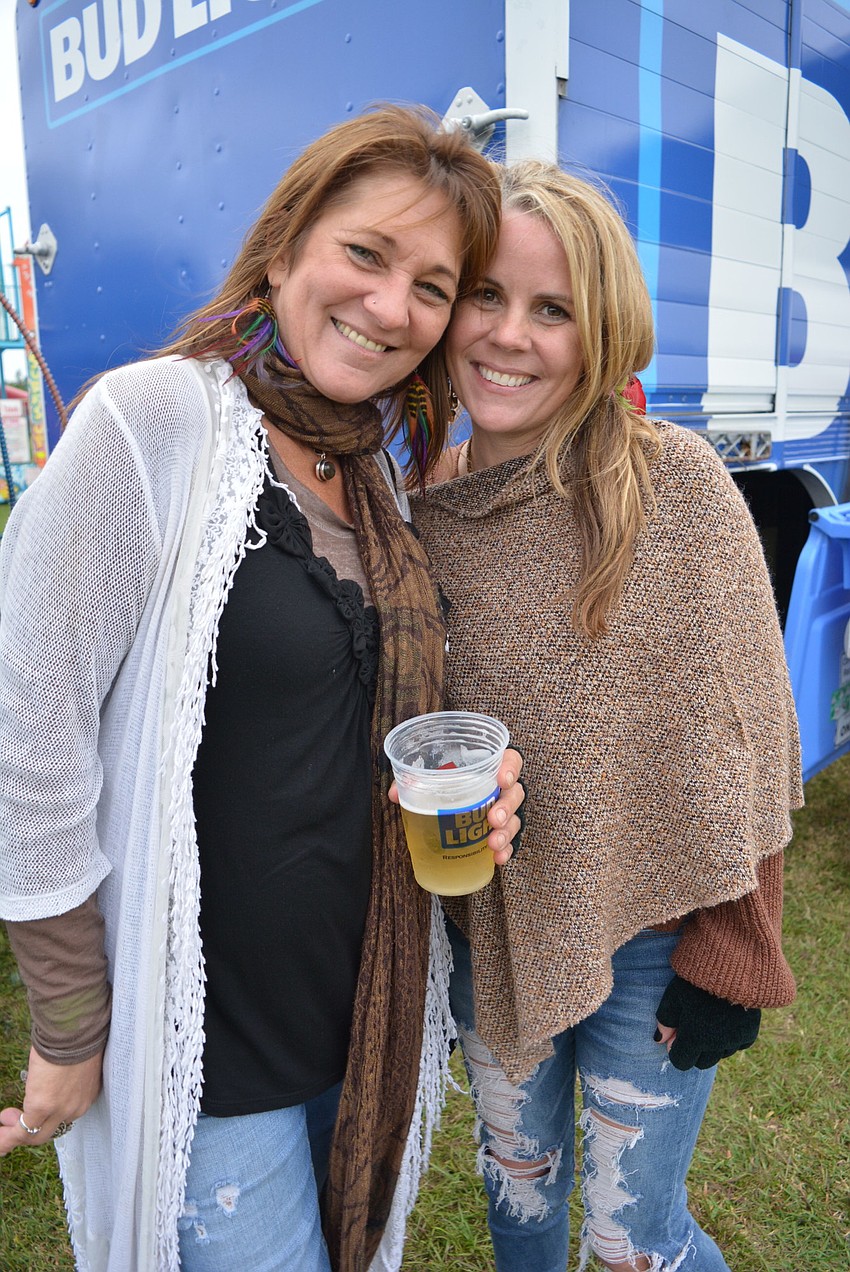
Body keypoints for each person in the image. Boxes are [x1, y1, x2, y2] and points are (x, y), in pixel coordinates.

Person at [0, 105, 527, 1272]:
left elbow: (356, 723)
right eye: (365, 254)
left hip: (362, 1012)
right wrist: (70, 1026)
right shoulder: (155, 422)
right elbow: (28, 733)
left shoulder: (375, 478)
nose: (391, 307)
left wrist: (479, 794)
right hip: (210, 1045)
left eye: (432, 287)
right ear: (283, 249)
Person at [412, 160, 802, 1272]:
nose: (508, 336)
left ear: (603, 332)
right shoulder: (421, 512)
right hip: (488, 938)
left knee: (636, 1243)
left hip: (655, 938)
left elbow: (753, 735)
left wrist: (736, 952)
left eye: (553, 310)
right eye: (486, 296)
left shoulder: (675, 486)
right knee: (519, 1201)